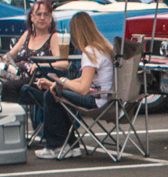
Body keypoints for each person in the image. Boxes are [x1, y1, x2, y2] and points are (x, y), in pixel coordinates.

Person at [33, 13, 114, 158]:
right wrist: (56, 83)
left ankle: (55, 145)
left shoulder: (90, 52)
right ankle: (71, 145)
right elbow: (84, 79)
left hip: (96, 101)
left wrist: (62, 82)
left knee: (51, 97)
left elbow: (83, 88)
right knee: (56, 94)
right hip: (108, 98)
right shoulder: (103, 47)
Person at [0, 0, 68, 105]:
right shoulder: (28, 35)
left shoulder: (53, 37)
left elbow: (64, 64)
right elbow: (10, 56)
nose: (42, 18)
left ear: (51, 18)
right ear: (32, 17)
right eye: (38, 14)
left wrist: (41, 65)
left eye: (46, 15)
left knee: (7, 87)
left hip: (38, 82)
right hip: (18, 77)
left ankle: (14, 118)